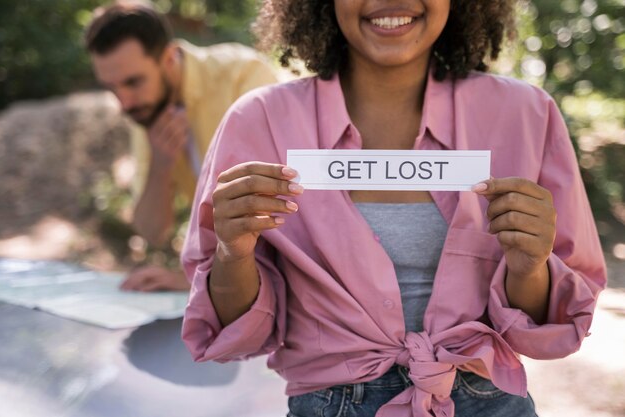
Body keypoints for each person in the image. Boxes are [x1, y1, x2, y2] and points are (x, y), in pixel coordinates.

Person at [181, 0, 607, 416]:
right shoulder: (257, 122)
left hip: (492, 402)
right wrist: (231, 253)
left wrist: (530, 267)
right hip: (328, 404)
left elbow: (555, 322)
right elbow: (235, 334)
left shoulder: (525, 115)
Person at [84, 2, 279, 291]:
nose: (124, 103)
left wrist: (192, 279)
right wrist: (161, 168)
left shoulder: (243, 76)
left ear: (169, 58)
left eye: (133, 82)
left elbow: (276, 215)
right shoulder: (148, 110)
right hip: (229, 277)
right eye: (112, 88)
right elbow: (152, 231)